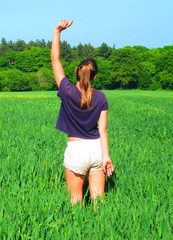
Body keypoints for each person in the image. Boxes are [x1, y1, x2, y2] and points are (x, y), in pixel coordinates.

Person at [51, 19, 114, 208]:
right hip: (96, 150)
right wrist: (106, 157)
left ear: (77, 71)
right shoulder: (101, 97)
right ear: (94, 76)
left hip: (76, 150)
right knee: (99, 200)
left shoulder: (67, 91)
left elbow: (55, 60)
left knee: (75, 200)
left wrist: (57, 31)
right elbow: (103, 131)